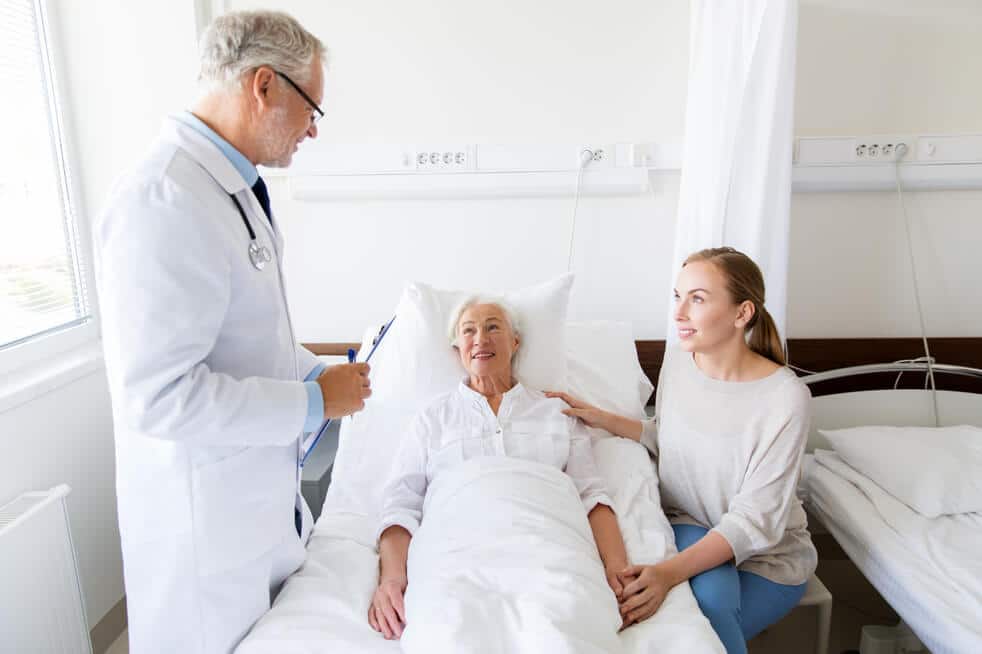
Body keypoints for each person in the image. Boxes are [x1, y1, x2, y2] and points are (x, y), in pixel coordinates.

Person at [92, 11, 370, 654]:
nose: (313, 131)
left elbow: (247, 337)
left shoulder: (235, 189)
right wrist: (313, 401)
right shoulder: (161, 199)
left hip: (250, 513)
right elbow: (157, 397)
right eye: (312, 110)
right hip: (199, 533)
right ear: (264, 85)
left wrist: (316, 375)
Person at [549, 247, 817, 654]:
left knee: (706, 613)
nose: (678, 313)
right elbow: (672, 437)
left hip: (769, 560)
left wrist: (665, 574)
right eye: (678, 296)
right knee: (708, 603)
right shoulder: (679, 361)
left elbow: (754, 521)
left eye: (698, 299)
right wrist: (603, 418)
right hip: (692, 524)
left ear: (742, 313)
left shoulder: (785, 398)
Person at [368, 298, 630, 640]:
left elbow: (592, 496)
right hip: (454, 556)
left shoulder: (556, 412)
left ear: (515, 341)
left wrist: (618, 568)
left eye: (493, 327)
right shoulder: (432, 419)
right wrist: (391, 579)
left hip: (549, 550)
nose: (480, 338)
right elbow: (401, 505)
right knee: (450, 629)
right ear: (457, 347)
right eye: (469, 331)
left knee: (565, 623)